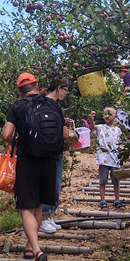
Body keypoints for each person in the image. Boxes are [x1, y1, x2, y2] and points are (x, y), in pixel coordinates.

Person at [2, 72, 62, 261]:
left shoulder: (17, 106)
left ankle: (36, 250)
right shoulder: (52, 104)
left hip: (28, 160)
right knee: (37, 205)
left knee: (27, 206)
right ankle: (30, 246)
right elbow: (63, 134)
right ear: (37, 86)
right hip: (50, 161)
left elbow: (7, 134)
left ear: (19, 90)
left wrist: (19, 143)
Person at [38, 77, 75, 235]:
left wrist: (64, 126)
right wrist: (65, 129)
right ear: (59, 88)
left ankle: (49, 215)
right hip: (49, 150)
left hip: (53, 149)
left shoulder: (50, 105)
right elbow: (65, 135)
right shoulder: (49, 105)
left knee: (55, 184)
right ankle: (44, 218)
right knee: (50, 184)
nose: (66, 93)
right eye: (65, 89)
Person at [88, 106, 125, 210]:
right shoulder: (100, 127)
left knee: (116, 181)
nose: (106, 116)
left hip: (115, 159)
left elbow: (120, 143)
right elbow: (93, 127)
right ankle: (103, 201)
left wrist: (122, 154)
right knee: (102, 181)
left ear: (115, 116)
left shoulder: (118, 130)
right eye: (105, 114)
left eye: (109, 114)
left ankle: (117, 200)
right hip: (103, 159)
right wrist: (91, 118)